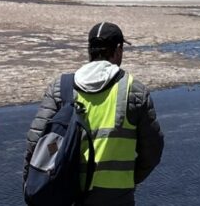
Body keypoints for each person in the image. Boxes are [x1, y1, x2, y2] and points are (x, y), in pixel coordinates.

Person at [24, 22, 164, 205]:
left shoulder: (61, 88)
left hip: (68, 195)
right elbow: (153, 148)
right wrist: (130, 179)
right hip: (117, 198)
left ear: (89, 51)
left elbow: (35, 142)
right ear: (119, 50)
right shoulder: (134, 91)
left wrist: (32, 185)